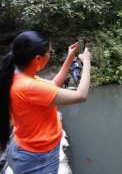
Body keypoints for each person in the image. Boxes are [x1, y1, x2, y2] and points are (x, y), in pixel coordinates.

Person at [0, 30, 91, 174]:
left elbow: (53, 85)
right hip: (38, 157)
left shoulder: (19, 76)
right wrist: (86, 62)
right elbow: (81, 95)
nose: (50, 55)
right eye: (50, 52)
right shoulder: (29, 86)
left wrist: (69, 58)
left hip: (27, 148)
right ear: (37, 58)